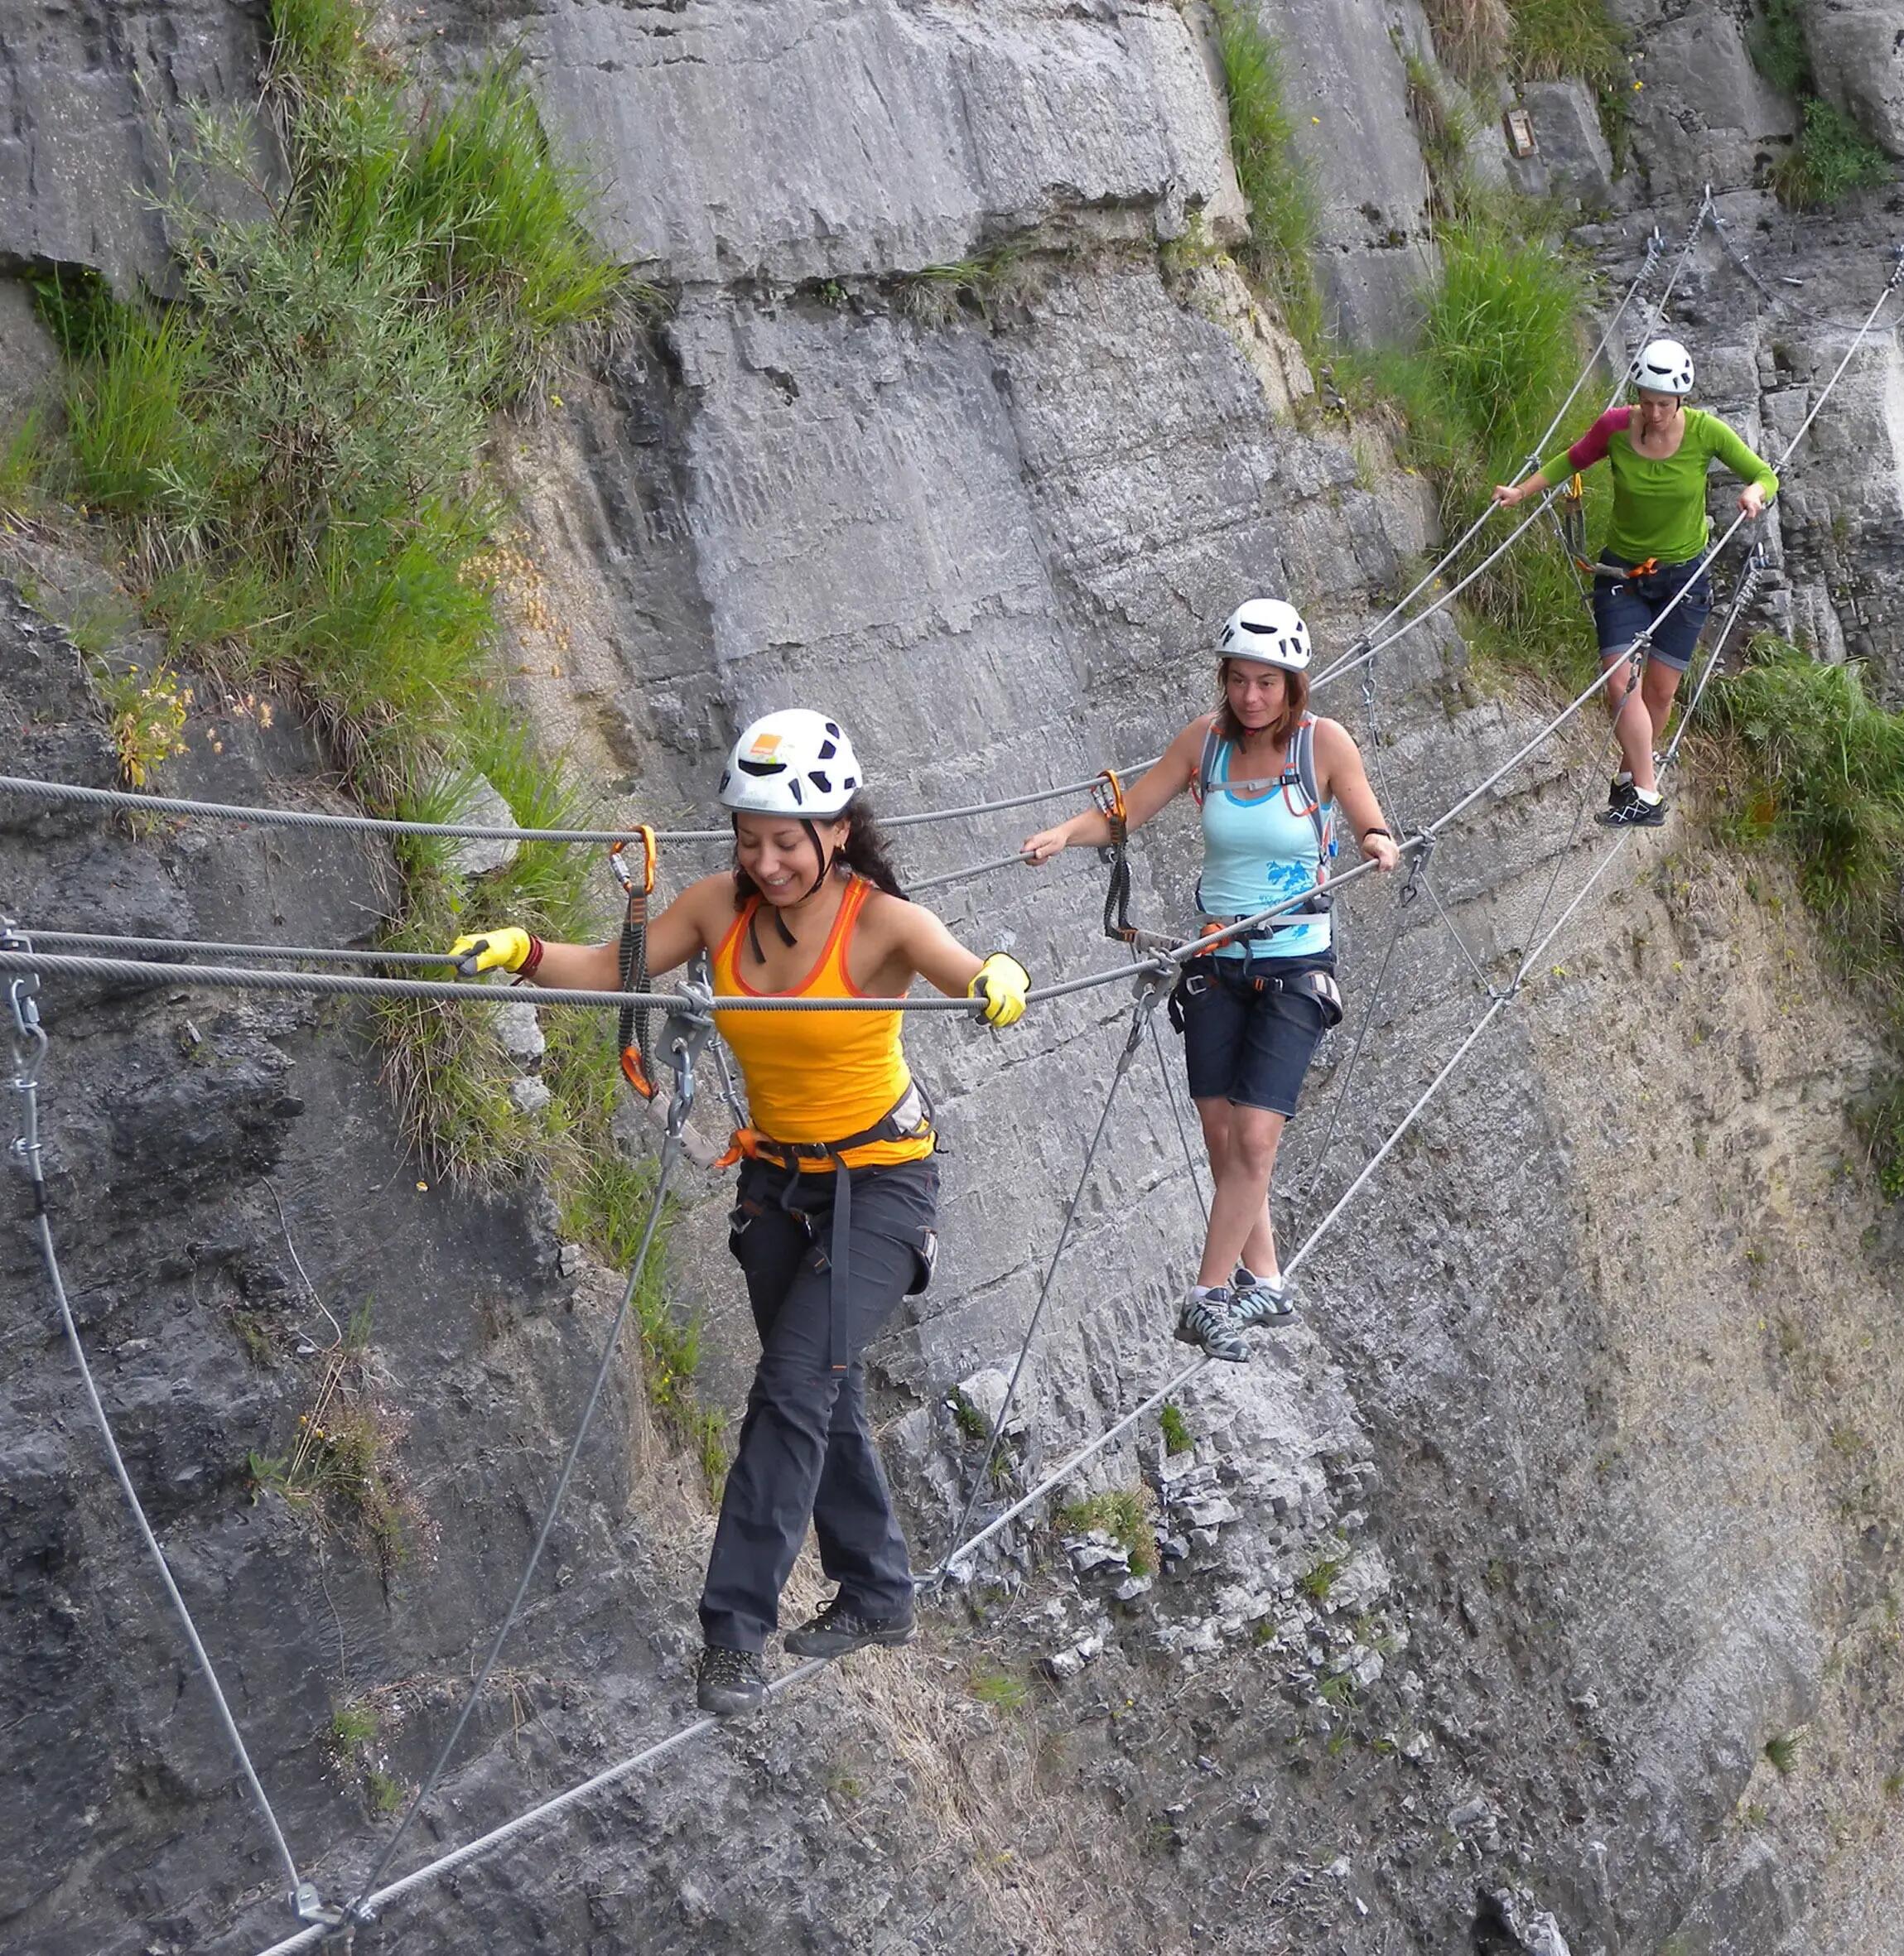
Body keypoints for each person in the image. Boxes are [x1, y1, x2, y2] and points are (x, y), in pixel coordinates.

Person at [450, 710, 1030, 1717]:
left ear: (837, 831)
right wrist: (525, 949)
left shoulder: (877, 918)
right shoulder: (718, 907)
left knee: (791, 1390)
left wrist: (998, 978)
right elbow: (612, 968)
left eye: (785, 841)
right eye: (749, 838)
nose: (765, 861)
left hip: (883, 1190)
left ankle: (732, 1633)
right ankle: (879, 1589)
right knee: (826, 1394)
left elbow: (960, 966)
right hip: (776, 1189)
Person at [1021, 600, 1400, 1363]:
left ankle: (1207, 1295)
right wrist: (1068, 832)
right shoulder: (1205, 745)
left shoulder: (1322, 745)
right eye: (1238, 681)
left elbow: (1365, 812)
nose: (1251, 697)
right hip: (1216, 960)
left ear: (1293, 685)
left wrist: (1378, 841)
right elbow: (1132, 812)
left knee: (1256, 1137)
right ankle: (1264, 1277)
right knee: (1222, 1136)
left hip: (1295, 961)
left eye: (1267, 683)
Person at [1493, 337, 1777, 826]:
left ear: (1681, 400)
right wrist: (1522, 491)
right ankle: (1647, 794)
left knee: (1660, 694)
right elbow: (1572, 459)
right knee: (1620, 681)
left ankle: (1629, 780)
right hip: (1623, 572)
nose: (1653, 412)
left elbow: (1765, 474)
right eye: (1646, 401)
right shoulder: (1616, 427)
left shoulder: (1706, 433)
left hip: (1684, 578)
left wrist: (1754, 491)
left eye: (1663, 404)